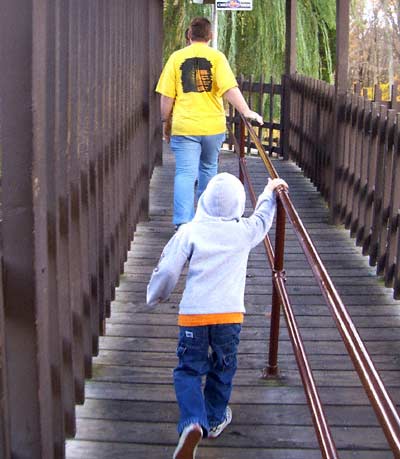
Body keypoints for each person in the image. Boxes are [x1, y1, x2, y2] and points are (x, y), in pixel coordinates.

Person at [146, 172, 288, 459]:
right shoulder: (244, 230)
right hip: (229, 316)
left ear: (205, 200)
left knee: (188, 370)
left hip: (193, 317)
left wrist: (156, 295)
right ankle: (213, 418)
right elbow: (262, 220)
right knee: (223, 368)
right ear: (238, 205)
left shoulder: (190, 231)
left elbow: (170, 268)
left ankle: (192, 422)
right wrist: (269, 191)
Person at [156, 17, 263, 230]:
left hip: (185, 126)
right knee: (208, 169)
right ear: (210, 36)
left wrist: (165, 121)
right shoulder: (217, 58)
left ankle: (183, 224)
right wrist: (246, 110)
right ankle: (205, 219)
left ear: (189, 35)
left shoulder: (176, 58)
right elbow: (229, 89)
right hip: (212, 127)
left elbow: (167, 97)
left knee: (185, 173)